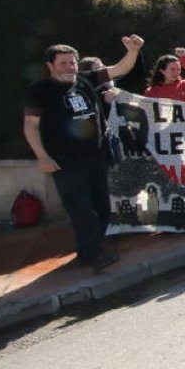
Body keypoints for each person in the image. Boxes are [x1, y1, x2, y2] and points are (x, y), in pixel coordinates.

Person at [24, 35, 145, 271]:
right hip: (65, 161)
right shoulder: (40, 90)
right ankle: (93, 254)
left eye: (73, 63)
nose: (70, 67)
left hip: (95, 155)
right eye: (63, 63)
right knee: (81, 208)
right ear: (50, 65)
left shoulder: (85, 80)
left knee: (101, 205)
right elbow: (30, 124)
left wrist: (133, 51)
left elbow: (120, 69)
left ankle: (90, 249)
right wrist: (42, 156)